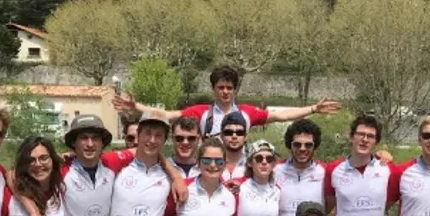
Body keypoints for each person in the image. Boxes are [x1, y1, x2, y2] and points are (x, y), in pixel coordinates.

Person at [114, 65, 340, 138]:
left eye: (229, 88)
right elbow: (168, 114)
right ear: (213, 89)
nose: (225, 92)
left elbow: (282, 115)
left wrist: (313, 109)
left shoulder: (247, 113)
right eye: (220, 87)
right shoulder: (201, 112)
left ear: (235, 90)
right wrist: (137, 107)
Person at [324, 114, 394, 216]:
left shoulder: (388, 170)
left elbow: (389, 202)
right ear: (351, 137)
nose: (364, 140)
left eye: (370, 136)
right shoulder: (333, 169)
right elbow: (330, 204)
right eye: (360, 134)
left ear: (376, 142)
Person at [274, 119, 327, 216]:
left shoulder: (325, 172)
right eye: (297, 144)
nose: (302, 149)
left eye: (308, 145)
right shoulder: (275, 170)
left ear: (315, 146)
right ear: (290, 145)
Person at [232, 139, 281, 216]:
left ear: (274, 164)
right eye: (259, 158)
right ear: (249, 162)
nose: (264, 162)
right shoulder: (237, 186)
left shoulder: (278, 191)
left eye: (269, 159)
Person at [218, 111, 249, 190]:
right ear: (221, 136)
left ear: (246, 137)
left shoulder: (254, 164)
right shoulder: (210, 162)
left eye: (239, 132)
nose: (234, 136)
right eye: (229, 132)